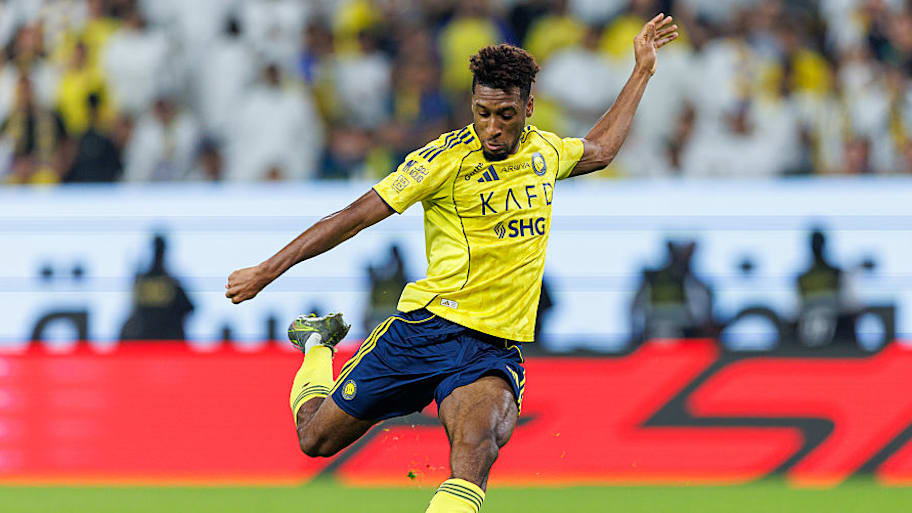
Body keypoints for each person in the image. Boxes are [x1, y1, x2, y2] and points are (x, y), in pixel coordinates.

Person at [226, 14, 677, 513]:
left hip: (491, 347)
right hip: (427, 330)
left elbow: (601, 150)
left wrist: (641, 71)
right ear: (472, 105)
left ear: (529, 107)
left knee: (476, 452)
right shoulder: (443, 160)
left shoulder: (545, 151)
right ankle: (316, 345)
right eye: (483, 113)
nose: (493, 127)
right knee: (315, 440)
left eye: (506, 114)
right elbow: (354, 217)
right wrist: (268, 270)